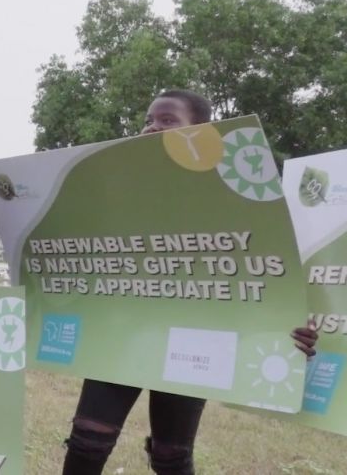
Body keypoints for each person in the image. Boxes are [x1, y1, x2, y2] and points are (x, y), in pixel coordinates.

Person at [60, 89, 320, 475]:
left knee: (171, 455)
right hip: (120, 331)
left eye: (168, 120)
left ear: (202, 131)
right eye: (149, 119)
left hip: (195, 337)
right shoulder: (118, 192)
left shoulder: (241, 197)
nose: (152, 127)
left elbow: (266, 271)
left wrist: (293, 323)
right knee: (87, 440)